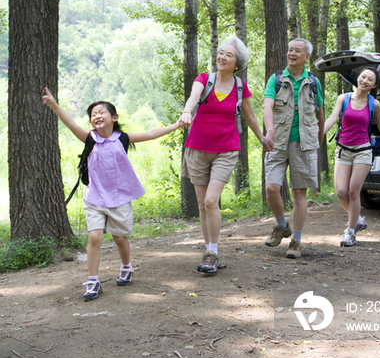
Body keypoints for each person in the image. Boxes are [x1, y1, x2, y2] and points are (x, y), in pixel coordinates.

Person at [43, 88, 182, 300]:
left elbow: (151, 133)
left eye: (101, 112)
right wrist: (54, 105)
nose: (96, 116)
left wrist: (177, 125)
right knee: (95, 237)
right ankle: (93, 281)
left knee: (119, 238)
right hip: (95, 197)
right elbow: (70, 123)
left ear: (114, 118)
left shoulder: (123, 138)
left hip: (119, 198)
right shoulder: (89, 138)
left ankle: (126, 266)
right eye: (93, 114)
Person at [179, 37, 268, 274]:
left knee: (211, 201)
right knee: (201, 204)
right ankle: (209, 250)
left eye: (228, 55)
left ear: (237, 63)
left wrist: (262, 138)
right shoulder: (204, 79)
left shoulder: (241, 87)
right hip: (197, 148)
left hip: (226, 150)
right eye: (220, 53)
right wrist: (187, 111)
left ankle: (214, 252)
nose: (222, 57)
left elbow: (250, 116)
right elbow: (193, 97)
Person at [262, 38, 324, 259]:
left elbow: (319, 113)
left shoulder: (313, 83)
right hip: (277, 142)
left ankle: (296, 240)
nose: (292, 53)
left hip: (304, 144)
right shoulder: (276, 80)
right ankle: (282, 226)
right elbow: (267, 105)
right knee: (271, 188)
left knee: (299, 193)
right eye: (290, 49)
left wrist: (317, 139)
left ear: (307, 57)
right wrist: (269, 130)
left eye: (298, 51)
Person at [324, 68, 380, 247]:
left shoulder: (374, 104)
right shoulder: (343, 98)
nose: (365, 81)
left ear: (374, 85)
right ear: (358, 78)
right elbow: (332, 118)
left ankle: (350, 231)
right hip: (343, 150)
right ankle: (358, 219)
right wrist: (319, 134)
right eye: (363, 77)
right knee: (340, 191)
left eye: (370, 79)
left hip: (363, 150)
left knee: (354, 191)